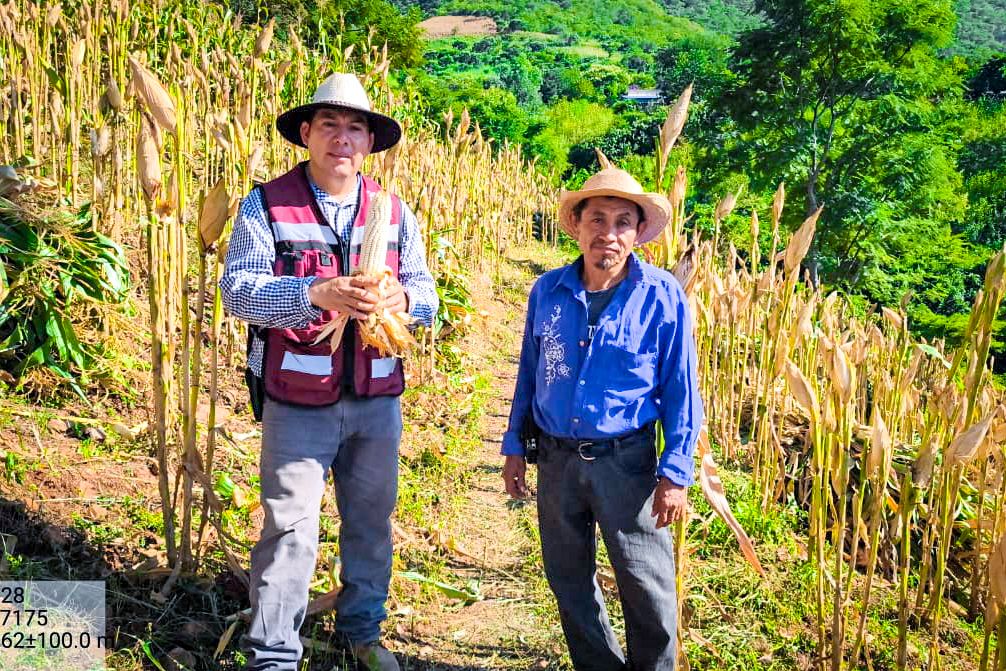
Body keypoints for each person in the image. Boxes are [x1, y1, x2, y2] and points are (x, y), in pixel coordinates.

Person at [220, 72, 437, 671]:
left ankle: (363, 633)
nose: (342, 138)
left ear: (368, 142)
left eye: (355, 128)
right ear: (307, 134)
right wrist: (314, 294)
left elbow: (427, 294)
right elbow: (238, 291)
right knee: (289, 530)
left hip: (376, 399)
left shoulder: (395, 211)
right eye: (330, 125)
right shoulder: (266, 205)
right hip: (297, 399)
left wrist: (403, 300)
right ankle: (273, 655)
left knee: (371, 521)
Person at [501, 168, 703, 671]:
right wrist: (514, 445)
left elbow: (681, 390)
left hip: (626, 463)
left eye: (621, 223)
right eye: (597, 219)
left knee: (647, 587)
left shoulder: (661, 296)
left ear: (637, 233)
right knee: (568, 580)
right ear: (577, 225)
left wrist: (675, 473)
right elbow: (530, 373)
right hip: (557, 460)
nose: (607, 234)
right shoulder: (547, 291)